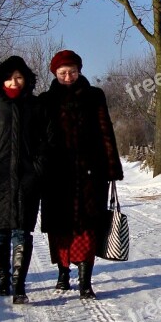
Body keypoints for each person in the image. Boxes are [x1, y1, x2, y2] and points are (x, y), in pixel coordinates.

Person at [39, 50, 123, 299]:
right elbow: (38, 138)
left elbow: (106, 131)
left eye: (72, 72)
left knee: (88, 226)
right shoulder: (45, 100)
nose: (68, 76)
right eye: (63, 72)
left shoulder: (94, 96)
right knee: (60, 227)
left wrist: (111, 167)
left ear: (79, 71)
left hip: (90, 174)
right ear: (55, 73)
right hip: (57, 176)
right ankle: (63, 273)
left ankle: (85, 282)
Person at [0, 55, 52, 305]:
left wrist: (38, 168)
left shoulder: (37, 106)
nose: (14, 82)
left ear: (26, 79)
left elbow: (48, 139)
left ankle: (19, 284)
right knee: (0, 233)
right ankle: (3, 276)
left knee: (22, 232)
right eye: (9, 78)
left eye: (18, 77)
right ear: (1, 81)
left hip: (27, 179)